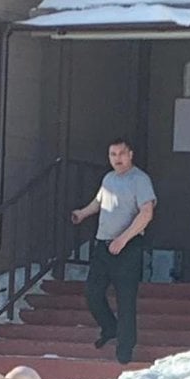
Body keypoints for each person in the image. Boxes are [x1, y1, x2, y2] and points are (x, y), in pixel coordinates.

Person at [71, 138, 156, 365]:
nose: (117, 158)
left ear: (130, 155)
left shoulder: (140, 180)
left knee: (125, 300)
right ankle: (110, 327)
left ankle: (125, 349)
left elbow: (146, 213)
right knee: (92, 292)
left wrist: (123, 239)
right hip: (103, 246)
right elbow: (99, 202)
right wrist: (82, 213)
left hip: (128, 247)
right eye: (113, 154)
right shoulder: (108, 179)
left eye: (121, 153)